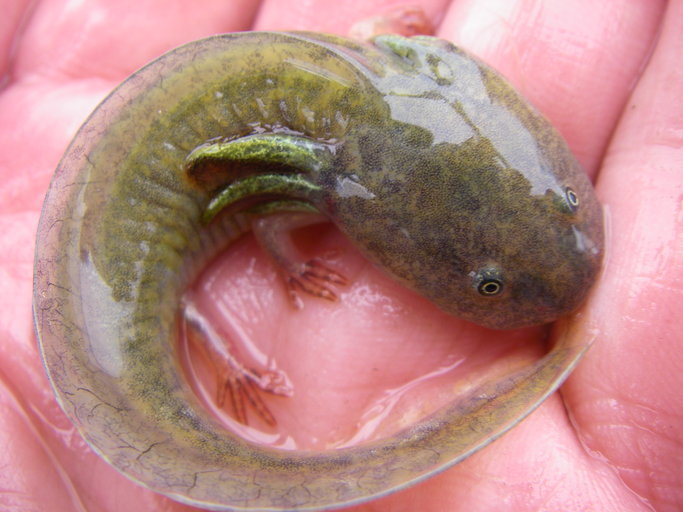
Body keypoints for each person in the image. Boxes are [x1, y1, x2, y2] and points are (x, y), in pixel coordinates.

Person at [1, 0, 681, 510]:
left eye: (560, 197)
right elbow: (274, 218)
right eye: (488, 286)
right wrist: (285, 266)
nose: (571, 224)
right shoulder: (338, 156)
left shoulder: (384, 97)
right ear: (327, 191)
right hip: (110, 277)